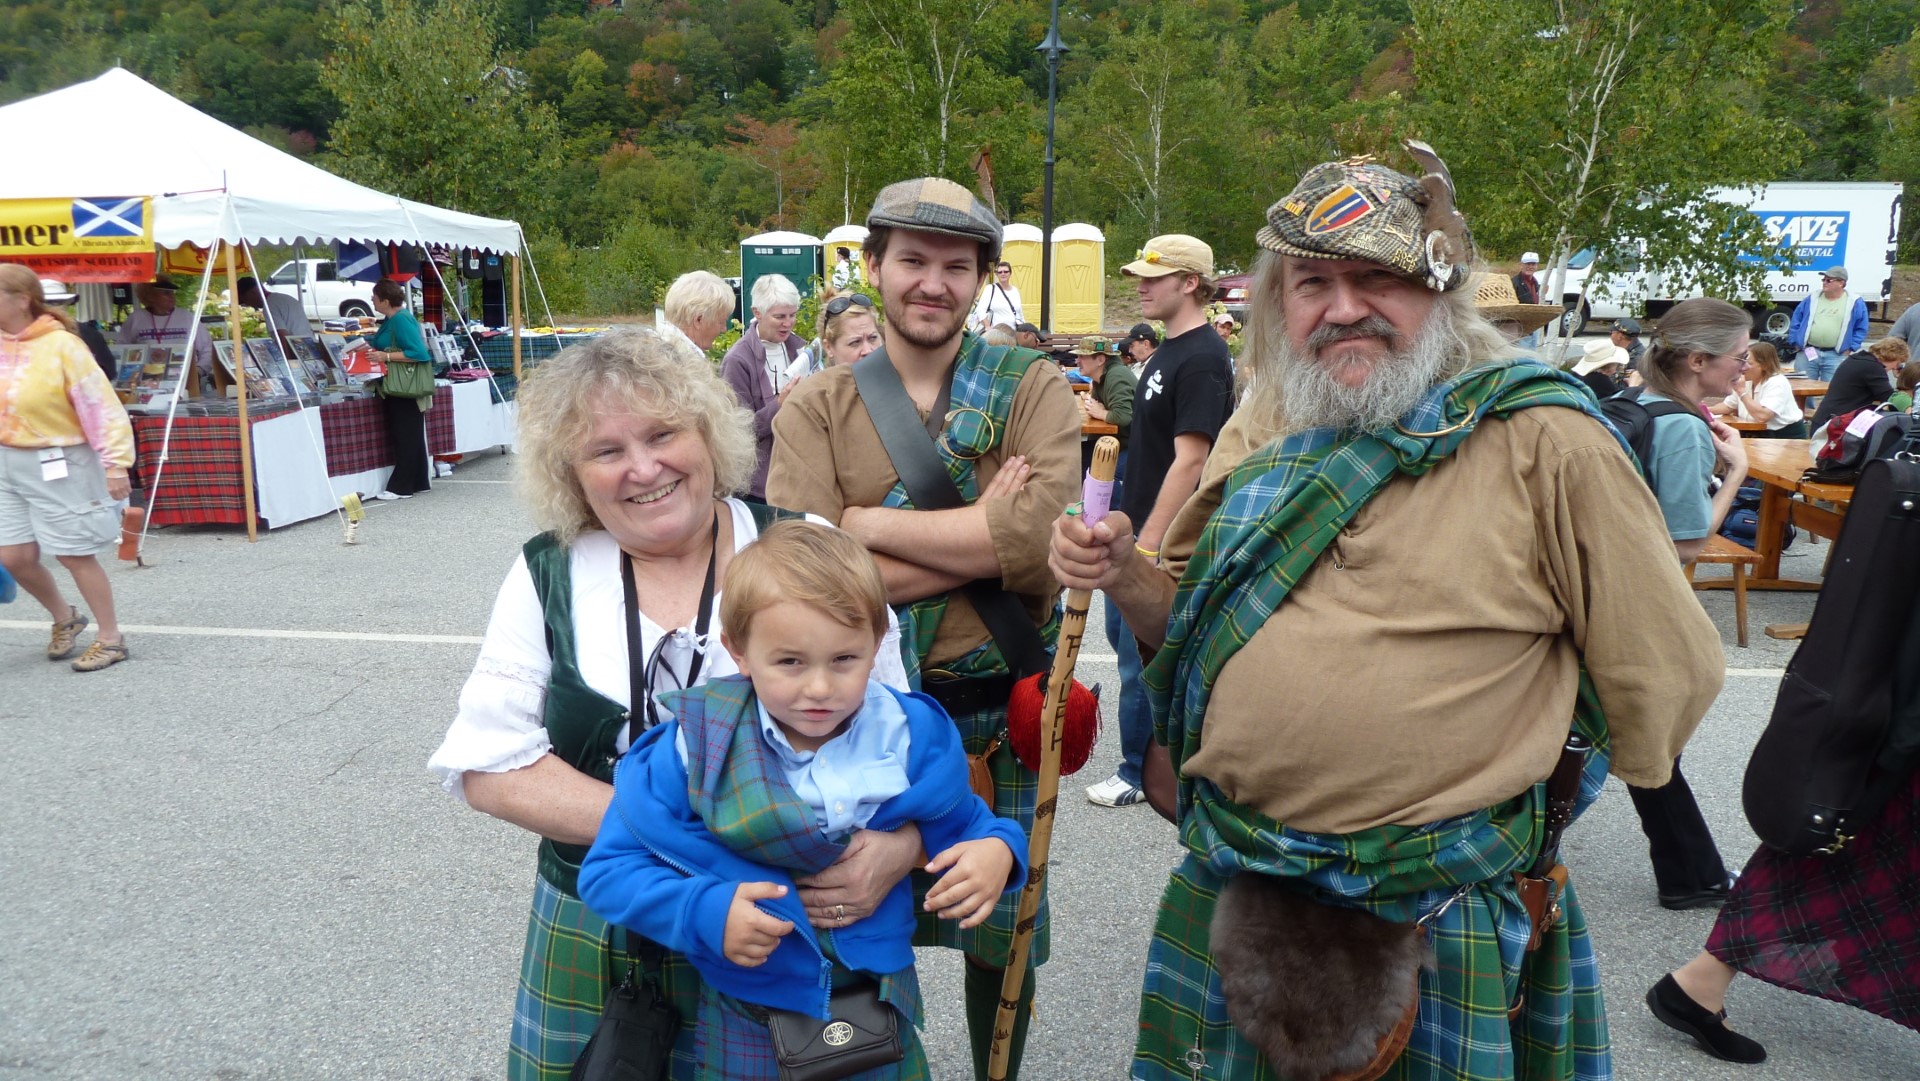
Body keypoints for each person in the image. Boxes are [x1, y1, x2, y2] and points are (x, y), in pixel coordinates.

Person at [1050, 148, 1722, 1080]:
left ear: (1439, 292)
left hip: (1438, 903)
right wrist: (1124, 572)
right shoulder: (1263, 425)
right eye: (1312, 282)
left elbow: (1661, 665)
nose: (1342, 307)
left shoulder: (1545, 437)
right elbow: (1193, 629)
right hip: (1240, 880)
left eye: (1377, 277)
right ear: (1280, 303)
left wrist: (1525, 809)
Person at [428, 330, 915, 1080]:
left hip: (795, 923)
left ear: (709, 435)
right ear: (572, 474)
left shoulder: (803, 544)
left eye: (662, 434)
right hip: (608, 923)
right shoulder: (547, 573)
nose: (643, 468)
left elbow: (900, 735)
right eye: (606, 450)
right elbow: (490, 764)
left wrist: (902, 847)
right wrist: (694, 847)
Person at [768, 176, 1079, 1081]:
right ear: (874, 269)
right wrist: (983, 533)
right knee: (846, 932)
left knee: (1006, 941)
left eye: (956, 264)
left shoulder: (1033, 386)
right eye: (911, 260)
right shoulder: (816, 404)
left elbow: (1041, 544)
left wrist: (862, 525)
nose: (931, 282)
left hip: (1002, 705)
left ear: (982, 276)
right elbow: (801, 578)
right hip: (854, 716)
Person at [577, 520, 1028, 1078]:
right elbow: (608, 870)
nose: (819, 688)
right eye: (790, 662)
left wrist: (998, 854)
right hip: (746, 1009)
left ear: (877, 643)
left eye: (844, 660)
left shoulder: (909, 735)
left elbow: (970, 825)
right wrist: (704, 913)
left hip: (877, 997)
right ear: (737, 651)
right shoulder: (695, 745)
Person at [1085, 233, 1232, 810]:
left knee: (1140, 659)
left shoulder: (1201, 356)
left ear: (1190, 282)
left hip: (1162, 540)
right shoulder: (1168, 351)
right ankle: (1143, 767)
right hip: (1138, 523)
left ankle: (1137, 772)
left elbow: (1192, 457)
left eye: (1154, 275)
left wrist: (1148, 545)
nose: (1141, 286)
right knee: (1131, 654)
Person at [0, 265, 135, 672]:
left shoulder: (63, 345)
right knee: (13, 557)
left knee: (74, 554)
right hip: (8, 461)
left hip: (60, 459)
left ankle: (111, 639)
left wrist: (116, 465)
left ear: (22, 300)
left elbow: (102, 408)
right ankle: (65, 617)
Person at [721, 274, 808, 503]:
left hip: (797, 476)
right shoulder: (737, 360)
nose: (788, 323)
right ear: (757, 313)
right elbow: (738, 432)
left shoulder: (799, 348)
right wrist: (780, 404)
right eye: (779, 316)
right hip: (759, 488)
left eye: (792, 315)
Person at [361, 279, 433, 501]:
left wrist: (386, 357)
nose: (372, 300)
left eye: (374, 297)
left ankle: (401, 486)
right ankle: (419, 480)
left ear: (385, 300)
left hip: (402, 386)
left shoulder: (400, 320)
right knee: (411, 433)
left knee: (405, 434)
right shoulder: (394, 319)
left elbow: (419, 353)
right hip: (399, 385)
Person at [117, 277, 213, 389]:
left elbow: (207, 348)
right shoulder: (136, 318)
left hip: (184, 380)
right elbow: (121, 349)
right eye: (166, 293)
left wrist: (199, 370)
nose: (172, 297)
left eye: (172, 293)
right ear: (150, 296)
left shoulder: (187, 317)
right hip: (146, 382)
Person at [1808, 336, 1906, 436]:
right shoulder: (1872, 367)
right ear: (1892, 357)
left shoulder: (1857, 359)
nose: (1895, 367)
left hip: (1825, 419)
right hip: (1834, 425)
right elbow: (1889, 397)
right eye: (1898, 364)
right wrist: (1902, 381)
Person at [1786, 265, 1870, 381]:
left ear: (1841, 283)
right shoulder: (1812, 298)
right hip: (1808, 352)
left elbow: (1861, 328)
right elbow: (1796, 320)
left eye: (1828, 280)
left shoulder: (1854, 302)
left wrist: (1850, 348)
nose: (1824, 283)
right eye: (1823, 280)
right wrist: (1795, 341)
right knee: (1802, 388)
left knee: (1831, 391)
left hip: (1836, 355)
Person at [1709, 340, 1806, 438]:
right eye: (1742, 362)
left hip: (1783, 437)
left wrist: (1742, 393)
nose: (1743, 367)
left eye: (1749, 363)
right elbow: (1728, 406)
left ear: (1764, 365)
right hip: (1754, 433)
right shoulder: (1747, 380)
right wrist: (1704, 410)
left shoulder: (1776, 382)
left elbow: (1763, 416)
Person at [39, 280, 116, 379]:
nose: (53, 308)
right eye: (50, 303)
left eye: (56, 303)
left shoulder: (23, 335)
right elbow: (108, 372)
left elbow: (107, 370)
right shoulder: (89, 333)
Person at [1470, 271, 1561, 346]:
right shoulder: (1517, 282)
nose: (1500, 332)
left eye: (1508, 321)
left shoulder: (1533, 282)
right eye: (1494, 322)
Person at [661, 270, 736, 355]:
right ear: (698, 320)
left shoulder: (656, 353)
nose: (724, 329)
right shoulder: (685, 364)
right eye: (721, 322)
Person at [234, 276, 316, 341]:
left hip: (297, 349)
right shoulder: (286, 298)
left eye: (245, 300)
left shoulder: (270, 305)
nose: (248, 304)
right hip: (310, 344)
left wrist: (286, 360)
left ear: (252, 292)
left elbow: (281, 336)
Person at [819, 292, 883, 368]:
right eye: (855, 342)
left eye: (872, 338)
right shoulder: (818, 380)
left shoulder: (897, 376)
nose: (868, 350)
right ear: (828, 347)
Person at [969, 260, 1022, 333]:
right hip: (997, 335)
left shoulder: (1015, 291)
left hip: (1014, 333)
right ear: (997, 274)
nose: (1003, 274)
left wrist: (1023, 329)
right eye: (1000, 272)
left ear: (1010, 273)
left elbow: (1020, 314)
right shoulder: (990, 289)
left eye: (1005, 271)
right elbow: (980, 309)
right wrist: (988, 327)